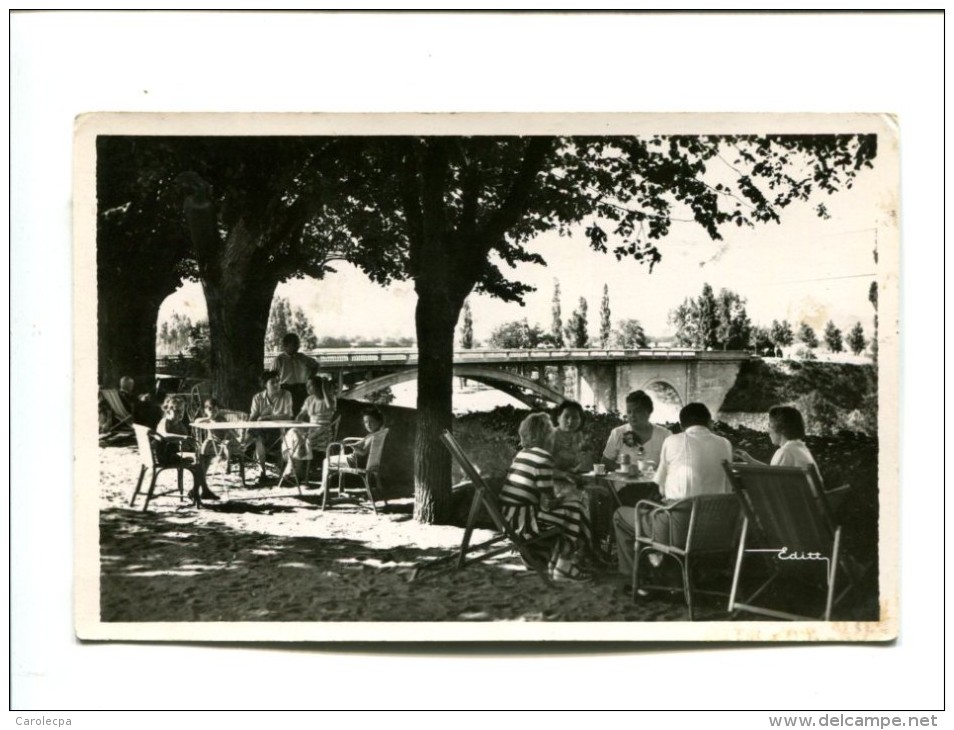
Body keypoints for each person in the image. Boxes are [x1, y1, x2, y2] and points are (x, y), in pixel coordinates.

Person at [612, 402, 732, 577]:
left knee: (620, 514)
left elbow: (660, 487)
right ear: (709, 422)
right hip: (717, 530)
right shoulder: (726, 444)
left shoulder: (673, 441)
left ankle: (638, 578)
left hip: (679, 529)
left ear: (682, 425)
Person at [499, 412, 593, 583]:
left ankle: (544, 558)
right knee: (575, 509)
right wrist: (565, 498)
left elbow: (536, 479)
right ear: (544, 435)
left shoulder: (522, 454)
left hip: (508, 518)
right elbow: (549, 501)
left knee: (569, 507)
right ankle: (565, 566)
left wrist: (562, 478)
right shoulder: (543, 458)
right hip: (525, 523)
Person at [156, 394, 218, 501]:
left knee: (204, 458)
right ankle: (199, 491)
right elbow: (164, 435)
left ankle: (200, 490)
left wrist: (190, 444)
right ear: (169, 410)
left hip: (172, 455)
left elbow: (184, 443)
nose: (180, 414)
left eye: (182, 411)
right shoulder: (165, 421)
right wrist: (184, 438)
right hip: (163, 457)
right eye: (177, 411)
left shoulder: (179, 425)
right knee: (199, 464)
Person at [282, 375, 338, 483]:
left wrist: (324, 389)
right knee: (292, 433)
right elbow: (301, 415)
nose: (307, 389)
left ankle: (295, 472)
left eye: (310, 386)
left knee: (302, 441)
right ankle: (294, 469)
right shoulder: (309, 399)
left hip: (324, 431)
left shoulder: (330, 398)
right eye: (307, 386)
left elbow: (330, 407)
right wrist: (296, 424)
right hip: (311, 430)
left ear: (318, 386)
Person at [602, 390, 672, 471]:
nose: (632, 415)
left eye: (637, 411)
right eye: (629, 412)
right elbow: (606, 462)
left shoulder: (665, 435)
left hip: (653, 482)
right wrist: (626, 471)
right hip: (623, 482)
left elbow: (673, 464)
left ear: (648, 412)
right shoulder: (618, 433)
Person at [320, 407, 387, 492]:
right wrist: (355, 444)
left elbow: (362, 452)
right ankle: (340, 489)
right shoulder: (378, 434)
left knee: (326, 460)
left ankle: (323, 488)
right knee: (341, 454)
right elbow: (364, 448)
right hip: (362, 461)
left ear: (379, 421)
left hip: (355, 462)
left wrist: (351, 445)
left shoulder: (372, 437)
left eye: (372, 422)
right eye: (366, 422)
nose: (369, 424)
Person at [734, 405, 818, 470]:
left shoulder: (785, 452)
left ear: (780, 429)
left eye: (769, 425)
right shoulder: (800, 448)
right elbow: (774, 471)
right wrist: (750, 461)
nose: (768, 430)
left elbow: (773, 479)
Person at [249, 370, 294, 486]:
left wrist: (267, 417)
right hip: (263, 432)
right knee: (258, 437)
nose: (276, 385)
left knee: (282, 437)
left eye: (278, 382)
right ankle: (262, 473)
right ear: (265, 384)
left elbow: (287, 415)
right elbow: (253, 417)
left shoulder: (286, 395)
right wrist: (247, 427)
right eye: (272, 382)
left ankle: (284, 474)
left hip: (281, 431)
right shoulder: (258, 398)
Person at [272, 332, 319, 413]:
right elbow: (272, 376)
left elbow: (316, 365)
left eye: (297, 344)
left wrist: (310, 378)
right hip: (286, 389)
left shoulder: (303, 357)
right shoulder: (279, 360)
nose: (297, 346)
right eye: (294, 344)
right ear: (286, 345)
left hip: (302, 389)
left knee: (302, 411)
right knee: (288, 412)